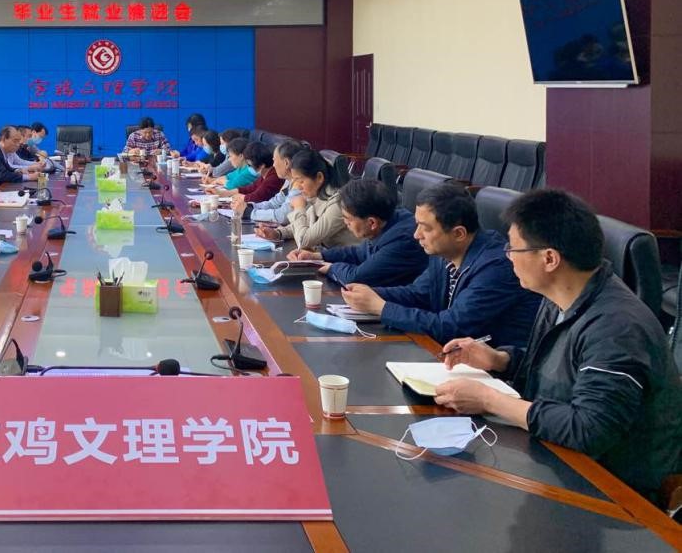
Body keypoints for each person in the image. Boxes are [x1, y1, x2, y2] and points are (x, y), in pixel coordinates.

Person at [434, 189, 682, 502]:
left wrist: (489, 399)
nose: (507, 256)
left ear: (549, 259)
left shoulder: (617, 327)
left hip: (613, 493)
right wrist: (499, 360)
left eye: (513, 248)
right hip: (555, 458)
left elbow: (589, 430)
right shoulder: (560, 297)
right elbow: (561, 372)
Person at [341, 183, 540, 347]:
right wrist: (369, 294)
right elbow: (418, 294)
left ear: (458, 233)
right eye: (417, 225)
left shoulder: (496, 268)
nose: (416, 235)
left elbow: (452, 326)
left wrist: (381, 308)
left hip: (495, 370)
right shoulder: (444, 253)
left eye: (425, 228)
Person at [291, 179, 428, 287]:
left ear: (372, 223)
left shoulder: (403, 240)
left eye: (348, 219)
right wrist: (318, 256)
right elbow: (359, 253)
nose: (345, 223)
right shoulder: (388, 220)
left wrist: (330, 268)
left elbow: (356, 278)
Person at [256, 148, 354, 250]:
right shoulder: (317, 195)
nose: (298, 187)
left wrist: (299, 209)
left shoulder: (338, 203)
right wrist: (278, 233)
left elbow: (303, 240)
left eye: (301, 181)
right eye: (295, 181)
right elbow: (305, 224)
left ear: (319, 177)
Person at [242, 140, 302, 222]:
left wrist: (249, 213)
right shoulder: (289, 181)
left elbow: (283, 216)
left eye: (274, 161)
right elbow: (274, 203)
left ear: (286, 163)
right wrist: (250, 206)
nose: (273, 165)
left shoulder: (300, 185)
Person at [0, 125, 41, 190]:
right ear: (3, 139)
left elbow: (7, 168)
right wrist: (29, 177)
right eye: (15, 141)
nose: (18, 144)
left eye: (19, 141)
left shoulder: (5, 151)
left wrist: (17, 170)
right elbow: (1, 175)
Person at [229, 141, 283, 207]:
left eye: (249, 165)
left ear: (261, 165)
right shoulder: (265, 174)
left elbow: (258, 197)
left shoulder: (274, 177)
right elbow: (252, 187)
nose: (248, 168)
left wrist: (242, 197)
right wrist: (228, 193)